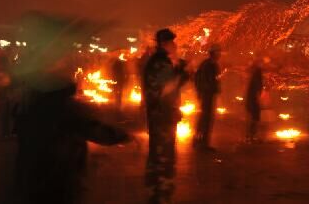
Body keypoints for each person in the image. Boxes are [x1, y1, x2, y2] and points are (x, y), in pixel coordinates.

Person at [13, 74, 131, 204]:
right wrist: (120, 136)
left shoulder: (32, 108)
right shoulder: (67, 108)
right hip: (61, 173)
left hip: (33, 175)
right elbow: (91, 128)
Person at [142, 28, 190, 204]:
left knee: (158, 152)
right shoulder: (160, 63)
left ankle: (155, 189)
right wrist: (184, 71)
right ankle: (160, 193)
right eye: (171, 42)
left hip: (160, 114)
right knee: (164, 154)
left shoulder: (159, 61)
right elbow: (169, 87)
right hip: (163, 116)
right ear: (163, 43)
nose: (175, 45)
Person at [193, 44, 221, 151]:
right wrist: (206, 90)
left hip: (208, 94)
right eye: (218, 52)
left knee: (205, 118)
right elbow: (206, 79)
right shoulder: (208, 65)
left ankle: (200, 142)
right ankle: (202, 143)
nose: (219, 54)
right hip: (207, 95)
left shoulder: (209, 64)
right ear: (213, 53)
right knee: (206, 118)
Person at [245, 58, 264, 143]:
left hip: (251, 98)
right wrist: (258, 97)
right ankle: (252, 136)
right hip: (253, 98)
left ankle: (251, 136)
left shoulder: (254, 72)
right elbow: (257, 85)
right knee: (255, 117)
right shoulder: (257, 72)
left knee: (253, 116)